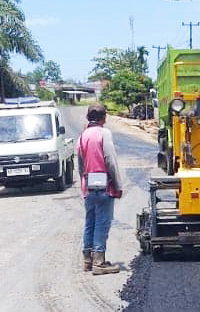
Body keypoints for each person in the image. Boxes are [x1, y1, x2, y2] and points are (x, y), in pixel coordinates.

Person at [77, 104, 125, 275]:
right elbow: (110, 160)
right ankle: (99, 262)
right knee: (103, 222)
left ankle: (87, 259)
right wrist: (118, 185)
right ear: (104, 117)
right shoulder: (104, 134)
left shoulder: (82, 136)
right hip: (104, 185)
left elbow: (81, 165)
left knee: (90, 221)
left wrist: (84, 184)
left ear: (88, 117)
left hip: (89, 186)